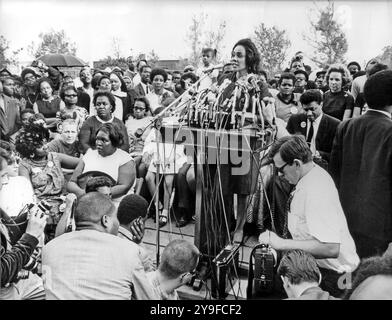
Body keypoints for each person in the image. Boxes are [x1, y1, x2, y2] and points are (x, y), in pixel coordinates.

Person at [258, 135, 359, 297]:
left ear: (297, 163)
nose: (280, 175)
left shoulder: (316, 190)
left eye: (281, 170)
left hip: (335, 277)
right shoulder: (308, 176)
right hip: (322, 270)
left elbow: (331, 247)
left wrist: (281, 243)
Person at [41, 192, 156, 300]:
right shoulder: (130, 251)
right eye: (116, 217)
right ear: (105, 220)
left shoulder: (49, 248)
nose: (118, 222)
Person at [329, 70, 392, 259]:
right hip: (378, 227)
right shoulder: (389, 131)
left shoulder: (346, 126)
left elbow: (334, 175)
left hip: (344, 218)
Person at [15, 120, 80, 240]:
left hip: (62, 204)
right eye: (39, 146)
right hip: (40, 209)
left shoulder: (55, 157)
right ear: (30, 151)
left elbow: (82, 163)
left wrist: (73, 179)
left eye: (45, 141)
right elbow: (27, 193)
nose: (45, 146)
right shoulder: (25, 165)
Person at [68, 122, 135, 204]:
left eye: (104, 140)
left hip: (114, 203)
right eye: (97, 139)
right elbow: (71, 182)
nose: (98, 143)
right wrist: (82, 193)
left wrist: (95, 196)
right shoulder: (89, 155)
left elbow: (123, 188)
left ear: (114, 141)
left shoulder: (125, 160)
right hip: (85, 201)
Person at [286, 89, 340, 163]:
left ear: (321, 104)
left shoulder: (335, 124)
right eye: (306, 110)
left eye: (312, 109)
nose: (309, 113)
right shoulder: (294, 120)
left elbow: (338, 154)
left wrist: (320, 155)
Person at [117, 194, 154, 272]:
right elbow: (149, 274)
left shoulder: (107, 234)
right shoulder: (138, 252)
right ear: (138, 221)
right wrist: (139, 245)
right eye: (145, 220)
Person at [0, 147, 35, 218]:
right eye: (10, 163)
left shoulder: (22, 182)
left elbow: (31, 207)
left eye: (17, 161)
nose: (16, 166)